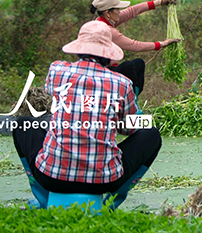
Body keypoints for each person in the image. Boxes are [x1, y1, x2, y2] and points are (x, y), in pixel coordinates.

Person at [12, 21, 162, 209]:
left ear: (78, 49)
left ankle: (43, 200)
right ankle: (111, 204)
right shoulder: (122, 83)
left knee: (24, 124)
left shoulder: (56, 71)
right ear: (109, 54)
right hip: (104, 180)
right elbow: (130, 128)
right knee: (151, 134)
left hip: (51, 177)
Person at [90, 0, 181, 95]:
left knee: (139, 63)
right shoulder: (106, 30)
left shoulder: (103, 20)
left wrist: (160, 2)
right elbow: (134, 46)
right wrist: (161, 44)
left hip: (107, 70)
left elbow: (133, 11)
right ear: (108, 13)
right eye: (118, 9)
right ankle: (130, 100)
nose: (120, 12)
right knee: (128, 67)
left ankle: (134, 98)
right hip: (102, 72)